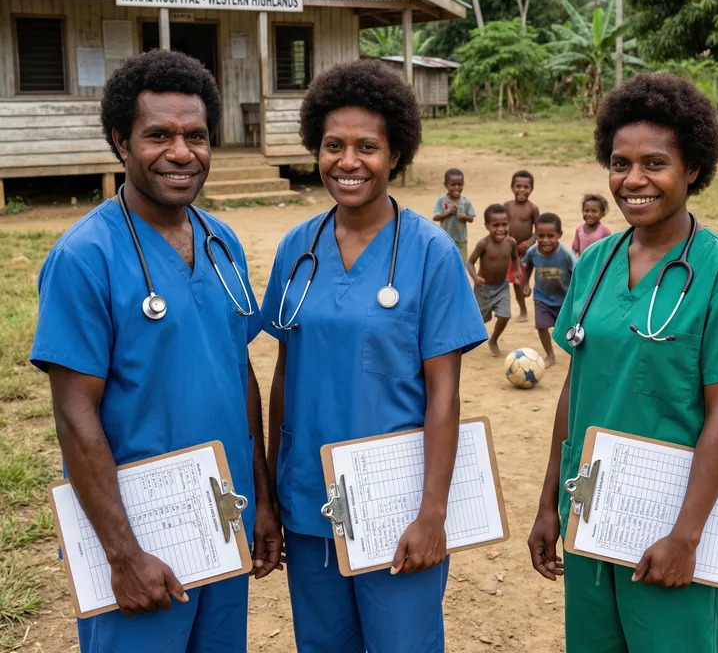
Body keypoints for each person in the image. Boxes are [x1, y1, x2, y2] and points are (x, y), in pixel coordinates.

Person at [30, 50, 282, 652]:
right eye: (158, 135)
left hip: (221, 518)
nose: (181, 152)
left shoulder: (222, 243)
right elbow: (74, 414)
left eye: (196, 135)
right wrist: (123, 554)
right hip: (136, 529)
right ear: (121, 141)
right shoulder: (84, 257)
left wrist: (262, 500)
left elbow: (237, 371)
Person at [527, 73, 718, 653]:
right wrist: (549, 504)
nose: (633, 180)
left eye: (655, 164)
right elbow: (576, 385)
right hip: (591, 512)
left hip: (672, 523)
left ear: (693, 169)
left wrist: (686, 536)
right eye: (620, 163)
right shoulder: (594, 262)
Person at [261, 60, 487, 653]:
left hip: (398, 503)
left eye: (367, 146)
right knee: (323, 644)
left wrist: (431, 512)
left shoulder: (430, 253)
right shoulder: (297, 248)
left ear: (395, 155)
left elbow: (444, 393)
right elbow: (285, 373)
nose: (348, 161)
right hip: (311, 499)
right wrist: (273, 488)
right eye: (333, 145)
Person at [521, 213, 576, 368]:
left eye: (550, 236)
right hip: (542, 297)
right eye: (541, 236)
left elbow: (577, 274)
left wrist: (576, 295)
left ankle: (575, 356)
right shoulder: (532, 251)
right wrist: (525, 284)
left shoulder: (566, 254)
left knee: (569, 329)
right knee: (542, 325)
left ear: (559, 235)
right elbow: (527, 266)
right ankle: (550, 355)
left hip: (564, 300)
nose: (545, 240)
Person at [467, 204, 522, 357]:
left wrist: (517, 270)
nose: (501, 229)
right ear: (487, 226)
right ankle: (462, 341)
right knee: (478, 321)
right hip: (483, 289)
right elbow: (470, 262)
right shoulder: (484, 244)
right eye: (495, 225)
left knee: (505, 315)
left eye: (504, 224)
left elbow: (515, 258)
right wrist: (475, 277)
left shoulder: (511, 242)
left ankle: (494, 340)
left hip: (501, 287)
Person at [503, 171, 540, 322]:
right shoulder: (506, 206)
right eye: (518, 186)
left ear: (531, 189)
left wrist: (530, 242)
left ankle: (528, 289)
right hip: (512, 252)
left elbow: (539, 230)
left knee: (524, 279)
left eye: (526, 187)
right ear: (512, 187)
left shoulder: (532, 208)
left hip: (526, 251)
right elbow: (501, 225)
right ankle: (523, 310)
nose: (522, 190)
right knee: (516, 282)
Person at [432, 167, 476, 262]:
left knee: (461, 263)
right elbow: (435, 217)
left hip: (461, 240)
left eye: (460, 184)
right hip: (445, 239)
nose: (457, 187)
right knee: (446, 262)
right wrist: (448, 213)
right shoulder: (442, 200)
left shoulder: (465, 201)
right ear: (446, 185)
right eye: (453, 184)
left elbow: (471, 218)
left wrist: (465, 217)